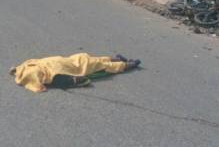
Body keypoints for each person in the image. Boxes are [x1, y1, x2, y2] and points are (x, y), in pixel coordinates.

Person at [9, 53, 141, 93]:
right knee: (91, 60)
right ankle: (120, 60)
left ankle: (123, 63)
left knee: (96, 63)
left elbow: (38, 87)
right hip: (68, 60)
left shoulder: (34, 71)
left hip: (68, 64)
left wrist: (40, 87)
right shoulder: (29, 64)